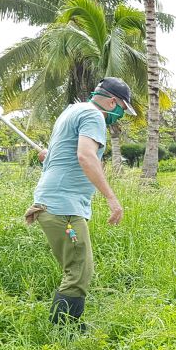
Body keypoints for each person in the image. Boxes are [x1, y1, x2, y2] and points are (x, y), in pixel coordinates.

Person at [24, 77, 135, 325]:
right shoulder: (94, 116)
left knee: (75, 266)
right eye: (123, 109)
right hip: (63, 207)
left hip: (52, 202)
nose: (121, 114)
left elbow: (58, 153)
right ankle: (65, 330)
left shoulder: (72, 110)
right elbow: (86, 156)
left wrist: (49, 155)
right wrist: (112, 198)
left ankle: (65, 326)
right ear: (113, 101)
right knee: (79, 270)